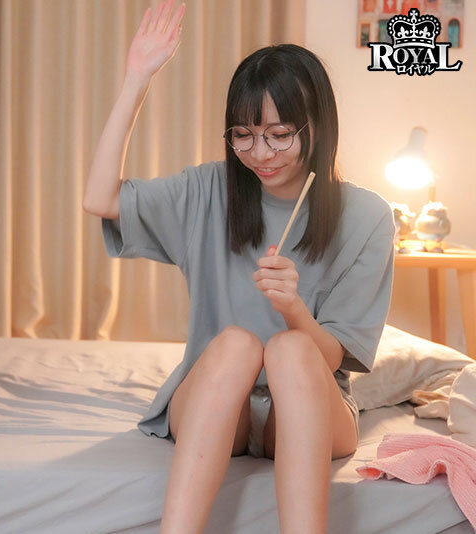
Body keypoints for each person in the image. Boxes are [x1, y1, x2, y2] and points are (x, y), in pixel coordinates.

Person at [83, 1, 394, 532]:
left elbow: (332, 358)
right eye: (243, 135)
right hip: (214, 404)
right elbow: (99, 199)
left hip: (311, 405)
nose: (260, 153)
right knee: (234, 345)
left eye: (279, 134)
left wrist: (293, 309)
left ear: (318, 128)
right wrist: (137, 77)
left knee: (291, 350)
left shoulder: (367, 217)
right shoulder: (208, 190)